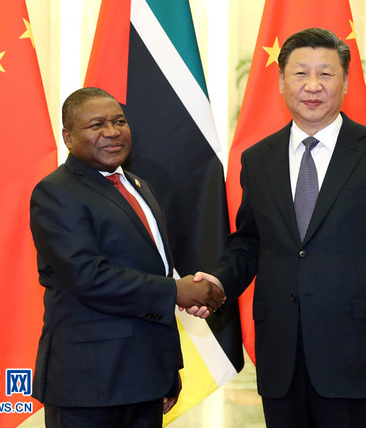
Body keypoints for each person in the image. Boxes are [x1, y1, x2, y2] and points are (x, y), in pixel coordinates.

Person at [194, 28, 366, 427]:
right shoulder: (258, 158)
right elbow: (252, 241)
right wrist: (218, 282)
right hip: (282, 356)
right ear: (282, 82)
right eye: (301, 73)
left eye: (326, 74)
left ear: (345, 82)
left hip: (359, 354)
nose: (312, 86)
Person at [29, 87, 225, 428]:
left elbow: (151, 270)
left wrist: (166, 370)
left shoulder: (137, 185)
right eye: (96, 124)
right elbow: (89, 278)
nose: (112, 131)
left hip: (145, 378)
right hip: (89, 385)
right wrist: (176, 291)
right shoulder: (56, 192)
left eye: (119, 121)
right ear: (68, 137)